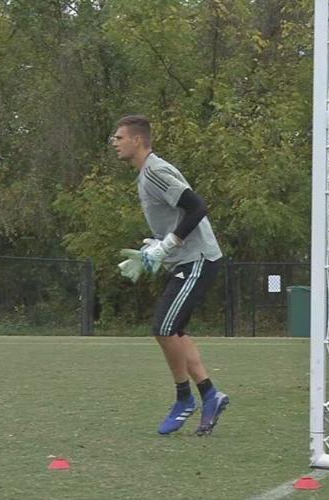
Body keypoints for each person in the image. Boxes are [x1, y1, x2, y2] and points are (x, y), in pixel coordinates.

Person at [111, 114, 229, 436]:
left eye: (119, 138)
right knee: (173, 329)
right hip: (185, 261)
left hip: (198, 259)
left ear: (137, 140)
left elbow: (197, 207)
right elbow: (177, 216)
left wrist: (168, 245)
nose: (115, 143)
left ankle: (184, 399)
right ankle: (210, 394)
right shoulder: (145, 175)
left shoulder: (156, 171)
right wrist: (157, 244)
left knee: (164, 326)